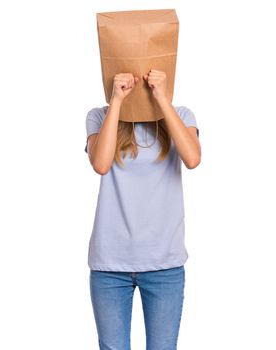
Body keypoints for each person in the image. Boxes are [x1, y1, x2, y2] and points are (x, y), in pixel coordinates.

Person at [85, 69, 201, 350]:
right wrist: (116, 101)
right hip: (110, 265)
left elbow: (193, 158)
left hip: (164, 264)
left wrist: (162, 99)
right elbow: (101, 164)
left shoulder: (181, 115)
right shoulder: (99, 116)